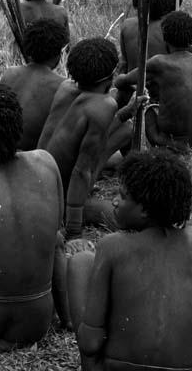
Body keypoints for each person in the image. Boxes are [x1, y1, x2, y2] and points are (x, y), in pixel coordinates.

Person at [67, 149, 192, 371]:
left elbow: (89, 342)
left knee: (80, 262)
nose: (114, 201)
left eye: (122, 196)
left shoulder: (113, 246)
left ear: (144, 209)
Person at [38, 38, 135, 239]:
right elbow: (81, 171)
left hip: (40, 178)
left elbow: (88, 128)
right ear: (112, 75)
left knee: (126, 129)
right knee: (127, 220)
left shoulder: (66, 87)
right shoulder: (104, 105)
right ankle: (133, 187)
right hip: (59, 196)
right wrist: (74, 229)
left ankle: (130, 177)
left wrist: (128, 111)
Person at [0, 85, 71, 351]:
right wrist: (67, 317)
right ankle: (68, 318)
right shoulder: (45, 163)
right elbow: (56, 240)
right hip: (34, 323)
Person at [116, 11, 192, 151]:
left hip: (166, 141)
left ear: (164, 37)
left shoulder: (159, 63)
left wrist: (120, 75)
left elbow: (121, 82)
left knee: (147, 102)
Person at [0, 19, 68, 149]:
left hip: (3, 150)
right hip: (29, 156)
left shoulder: (10, 73)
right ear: (58, 55)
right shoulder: (62, 85)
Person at [119, 0, 179, 74]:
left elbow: (124, 63)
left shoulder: (127, 25)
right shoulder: (170, 28)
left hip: (133, 83)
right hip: (162, 85)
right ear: (166, 5)